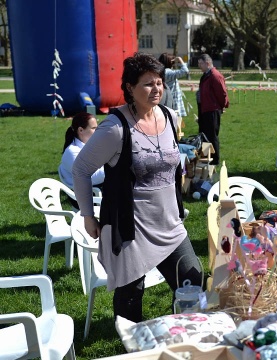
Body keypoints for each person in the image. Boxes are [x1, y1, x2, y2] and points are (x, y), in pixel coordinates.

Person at [72, 52, 203, 323]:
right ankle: (130, 346)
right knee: (131, 296)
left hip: (170, 224)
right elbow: (81, 168)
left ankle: (190, 337)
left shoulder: (169, 116)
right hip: (131, 226)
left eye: (159, 82)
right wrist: (88, 215)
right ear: (130, 88)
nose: (156, 89)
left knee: (194, 280)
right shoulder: (115, 128)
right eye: (147, 83)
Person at [197, 54, 229, 166]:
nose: (199, 66)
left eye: (200, 63)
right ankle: (206, 156)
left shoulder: (215, 75)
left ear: (207, 63)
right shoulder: (206, 75)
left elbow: (222, 93)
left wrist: (221, 106)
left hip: (212, 110)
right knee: (204, 134)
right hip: (205, 109)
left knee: (212, 135)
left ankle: (215, 160)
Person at [59, 112, 104, 189]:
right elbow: (89, 176)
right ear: (81, 130)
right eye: (94, 128)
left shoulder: (93, 146)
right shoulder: (71, 152)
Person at [158, 53, 189, 124]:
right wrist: (181, 61)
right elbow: (185, 71)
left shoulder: (161, 72)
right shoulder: (168, 72)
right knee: (173, 125)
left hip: (165, 101)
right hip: (172, 103)